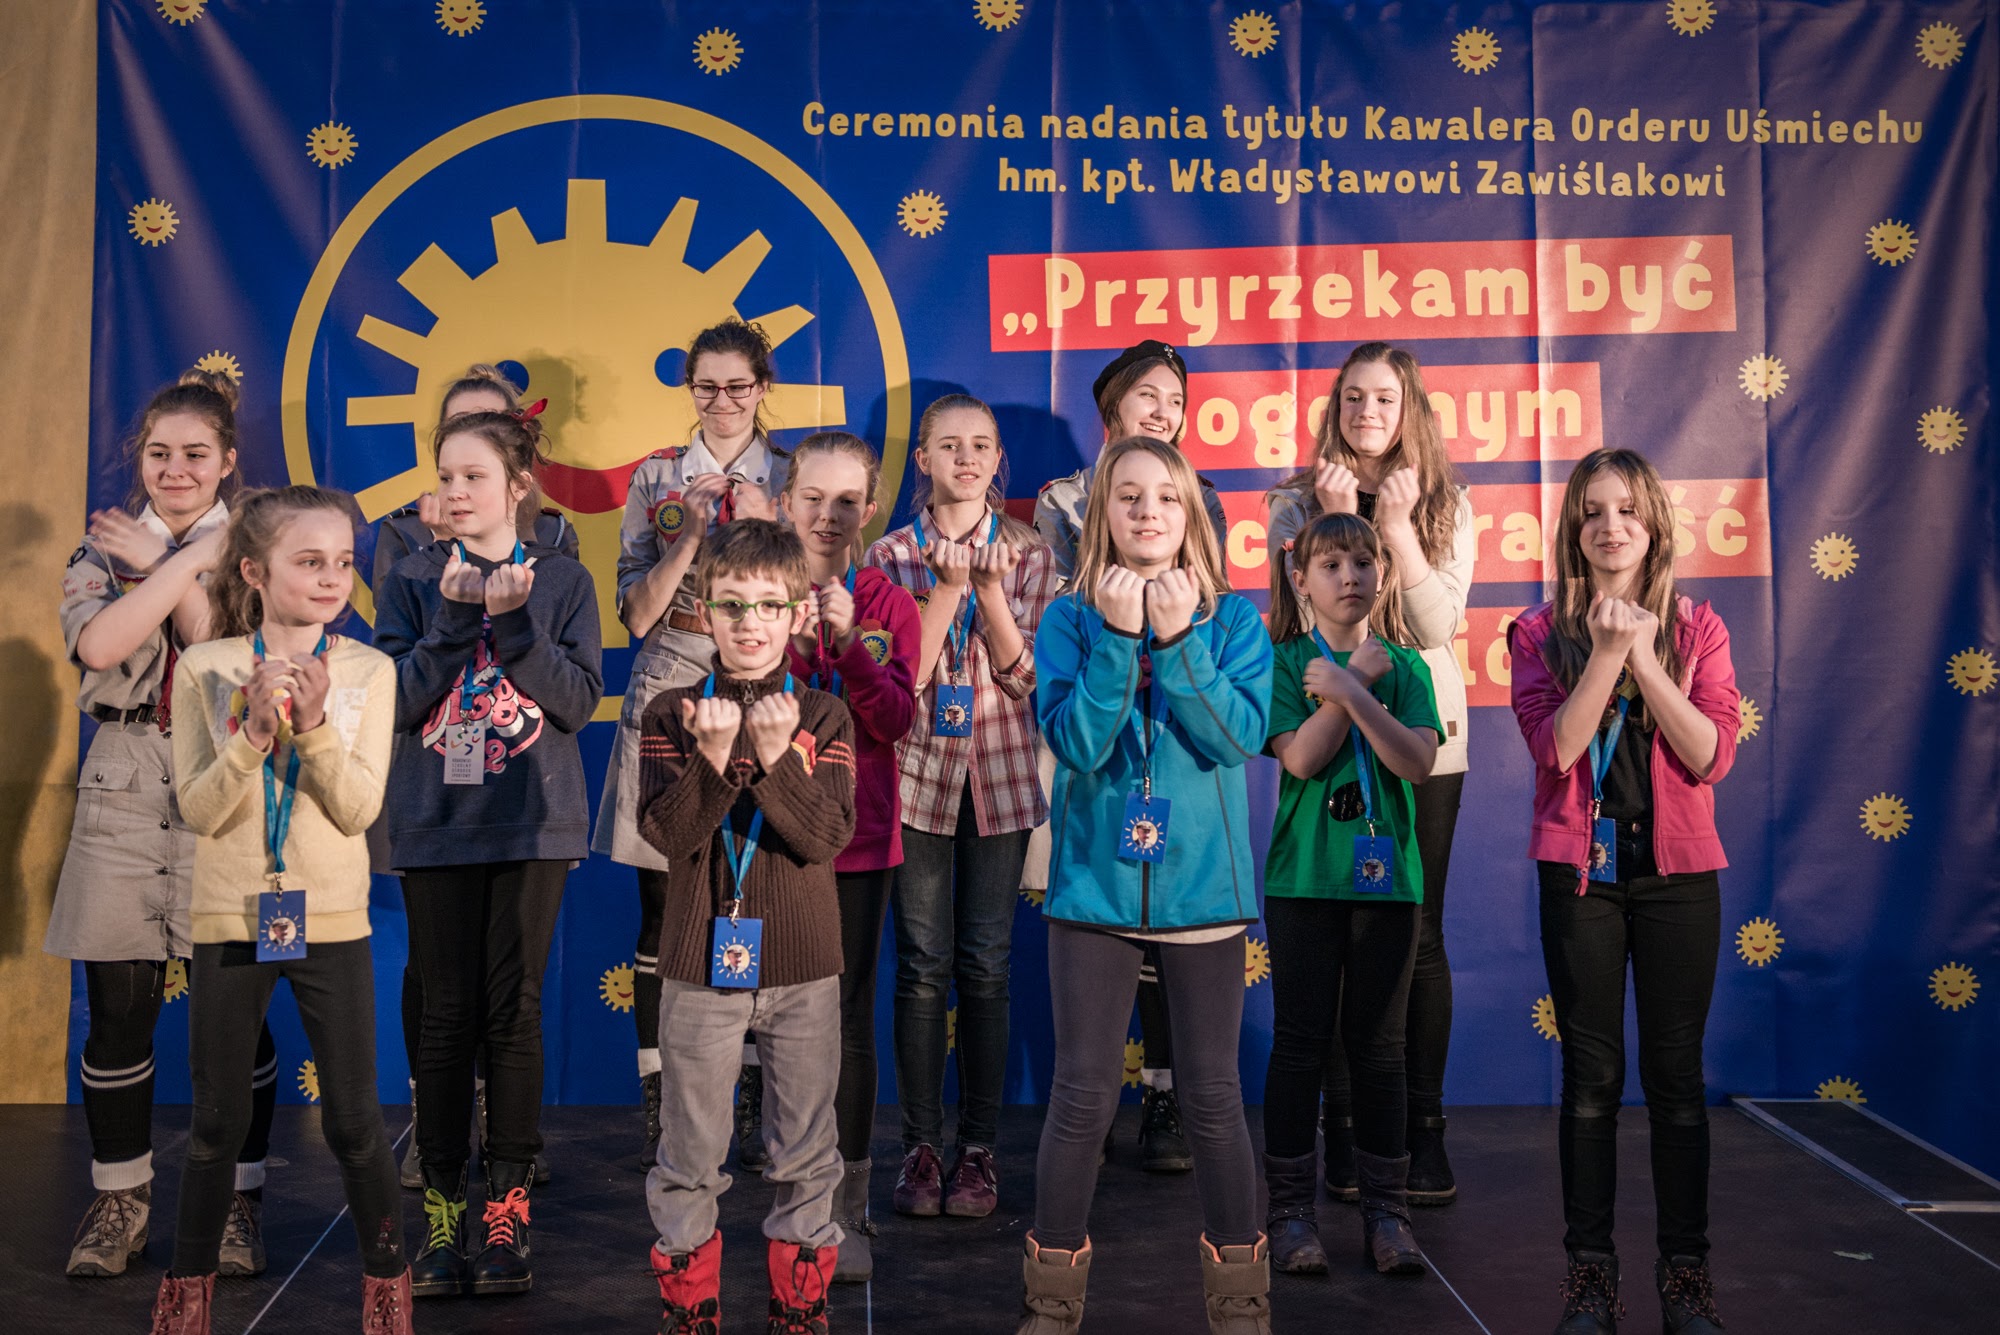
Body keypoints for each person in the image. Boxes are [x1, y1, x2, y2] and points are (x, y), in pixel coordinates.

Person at [1020, 436, 1274, 1335]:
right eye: (1128, 495)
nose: (1148, 511)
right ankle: (1051, 1304)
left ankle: (1241, 1302)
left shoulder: (1233, 619)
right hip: (1094, 892)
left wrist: (1177, 639)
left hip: (1203, 897)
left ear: (1191, 513)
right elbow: (1078, 743)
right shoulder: (1069, 618)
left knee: (1212, 1097)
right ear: (1103, 513)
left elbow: (1235, 737)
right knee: (1082, 1097)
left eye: (1166, 495)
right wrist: (1122, 639)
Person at [152, 486, 409, 1334]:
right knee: (216, 1123)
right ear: (255, 572)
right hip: (231, 916)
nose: (332, 577)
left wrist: (318, 725)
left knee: (356, 1122)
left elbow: (359, 809)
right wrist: (254, 734)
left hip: (331, 920)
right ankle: (186, 1293)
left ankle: (388, 1288)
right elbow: (199, 810)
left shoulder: (369, 670)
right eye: (309, 561)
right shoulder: (205, 665)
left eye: (342, 562)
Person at [48, 370, 280, 1280]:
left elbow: (222, 662)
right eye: (158, 454)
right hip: (126, 774)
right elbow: (101, 645)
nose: (175, 469)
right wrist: (178, 562)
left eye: (194, 454)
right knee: (118, 1009)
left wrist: (179, 564)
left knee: (239, 1013)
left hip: (231, 771)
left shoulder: (263, 547)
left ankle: (238, 1202)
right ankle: (121, 1198)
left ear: (227, 461)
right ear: (137, 459)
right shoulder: (102, 546)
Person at [374, 408, 603, 1298]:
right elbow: (395, 701)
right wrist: (452, 617)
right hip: (435, 821)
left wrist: (512, 627)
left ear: (518, 486)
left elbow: (576, 701)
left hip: (531, 822)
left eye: (475, 476)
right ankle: (441, 1215)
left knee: (513, 1011)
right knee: (444, 1015)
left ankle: (507, 1208)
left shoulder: (563, 578)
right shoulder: (411, 576)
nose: (456, 491)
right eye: (446, 476)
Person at [1508, 448, 1737, 1335]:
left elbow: (1711, 754)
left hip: (1679, 877)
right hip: (1582, 877)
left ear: (1654, 525)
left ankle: (1686, 1279)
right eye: (1594, 511)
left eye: (1628, 510)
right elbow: (1559, 747)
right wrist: (1606, 651)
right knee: (1592, 1077)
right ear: (1574, 529)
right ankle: (1591, 1281)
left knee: (1677, 1078)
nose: (1611, 526)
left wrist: (1644, 651)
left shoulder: (1698, 627)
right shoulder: (1537, 632)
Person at [1266, 341, 1474, 1204]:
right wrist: (1330, 517)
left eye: (1384, 397)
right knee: (1329, 940)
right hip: (1324, 721)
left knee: (1413, 933)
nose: (1366, 412)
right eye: (1352, 396)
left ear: (1409, 406)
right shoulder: (1293, 499)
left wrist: (1394, 529)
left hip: (1417, 728)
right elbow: (1289, 619)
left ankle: (1422, 1134)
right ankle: (1343, 1135)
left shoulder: (1446, 500)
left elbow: (1435, 626)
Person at [639, 520, 856, 1335]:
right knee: (691, 1148)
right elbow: (669, 835)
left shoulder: (823, 715)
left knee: (806, 1146)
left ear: (796, 614)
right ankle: (689, 1303)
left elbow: (825, 837)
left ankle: (799, 1303)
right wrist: (711, 759)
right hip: (700, 960)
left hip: (803, 963)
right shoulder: (672, 712)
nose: (750, 622)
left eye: (769, 605)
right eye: (732, 604)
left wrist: (774, 762)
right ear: (704, 609)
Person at [596, 320, 788, 1171]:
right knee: (663, 902)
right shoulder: (656, 477)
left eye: (738, 386)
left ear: (763, 388)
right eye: (706, 386)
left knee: (750, 888)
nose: (722, 401)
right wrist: (689, 535)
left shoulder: (791, 474)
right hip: (671, 681)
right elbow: (634, 614)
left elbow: (824, 590)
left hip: (766, 687)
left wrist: (772, 522)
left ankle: (746, 1087)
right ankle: (661, 1091)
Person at [1033, 339, 1229, 1173]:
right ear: (1112, 404)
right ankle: (1091, 1112)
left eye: (1176, 400)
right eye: (1149, 394)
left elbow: (1207, 605)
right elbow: (1065, 611)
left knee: (1173, 915)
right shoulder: (1064, 499)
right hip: (1094, 715)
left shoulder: (1201, 496)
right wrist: (1116, 645)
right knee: (1107, 916)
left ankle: (1164, 1094)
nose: (1164, 410)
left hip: (1175, 735)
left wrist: (1173, 648)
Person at [867, 395, 1058, 1230]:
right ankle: (919, 1145)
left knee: (986, 965)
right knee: (921, 964)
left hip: (1003, 779)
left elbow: (1026, 680)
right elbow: (896, 684)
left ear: (997, 457)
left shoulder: (1031, 553)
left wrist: (989, 589)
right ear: (923, 460)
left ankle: (978, 1147)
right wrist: (948, 590)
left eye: (981, 445)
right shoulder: (888, 555)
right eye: (949, 445)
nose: (967, 458)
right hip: (917, 779)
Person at [1262, 512, 1441, 1277]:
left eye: (1363, 562)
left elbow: (1416, 763)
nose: (1349, 577)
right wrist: (1341, 691)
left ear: (1383, 574)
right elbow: (1301, 759)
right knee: (1300, 1042)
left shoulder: (1404, 665)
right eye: (1331, 565)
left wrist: (1357, 688)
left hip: (1387, 884)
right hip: (1303, 880)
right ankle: (1290, 1214)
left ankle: (1386, 1213)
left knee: (1380, 1047)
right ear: (1301, 579)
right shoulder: (1285, 660)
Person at [777, 432, 919, 1283]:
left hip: (860, 841)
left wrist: (852, 646)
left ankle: (844, 1205)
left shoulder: (887, 602)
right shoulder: (759, 591)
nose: (827, 516)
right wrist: (794, 649)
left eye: (846, 501)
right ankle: (792, 1198)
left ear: (870, 509)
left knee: (846, 1019)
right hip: (773, 840)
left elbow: (895, 720)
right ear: (785, 501)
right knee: (774, 1021)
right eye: (812, 498)